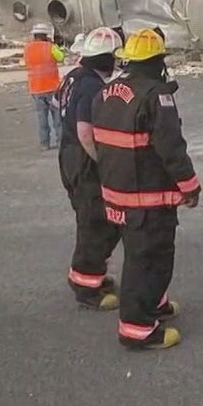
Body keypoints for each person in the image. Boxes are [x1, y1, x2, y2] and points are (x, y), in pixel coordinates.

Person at [92, 29, 200, 350]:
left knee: (139, 255)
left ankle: (154, 304)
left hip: (116, 195)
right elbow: (171, 149)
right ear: (157, 61)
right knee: (150, 259)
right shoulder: (156, 96)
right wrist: (190, 186)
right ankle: (137, 328)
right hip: (147, 200)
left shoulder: (106, 93)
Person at [60, 26, 124, 309]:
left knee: (89, 219)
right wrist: (104, 161)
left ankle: (90, 273)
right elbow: (86, 130)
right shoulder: (91, 86)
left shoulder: (74, 77)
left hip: (69, 155)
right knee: (96, 222)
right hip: (83, 158)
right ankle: (87, 286)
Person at [25, 22, 65, 150]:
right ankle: (60, 142)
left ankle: (44, 144)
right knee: (57, 117)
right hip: (52, 87)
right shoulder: (50, 47)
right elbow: (61, 58)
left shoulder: (27, 48)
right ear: (47, 35)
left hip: (36, 88)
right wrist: (56, 46)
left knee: (42, 118)